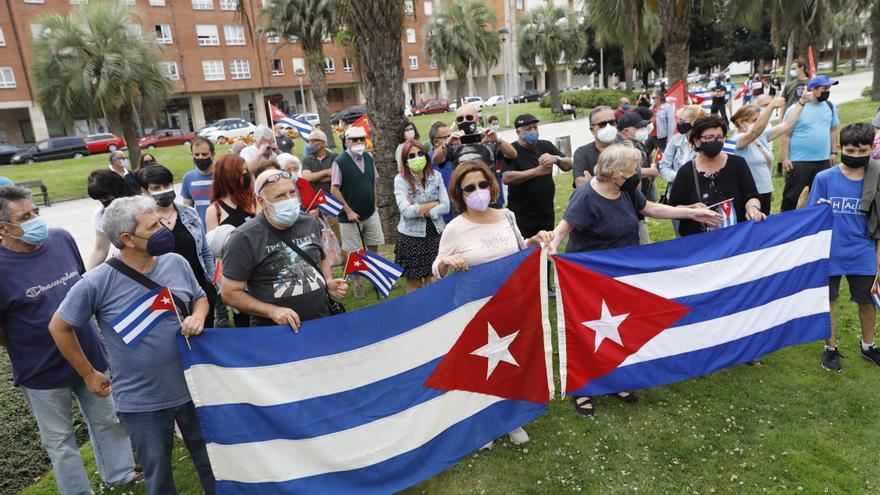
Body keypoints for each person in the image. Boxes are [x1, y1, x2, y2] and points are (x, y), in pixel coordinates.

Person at [49, 196, 215, 495]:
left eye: (161, 220)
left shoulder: (176, 263)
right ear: (127, 239)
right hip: (142, 402)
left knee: (212, 463)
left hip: (194, 387)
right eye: (153, 226)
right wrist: (88, 374)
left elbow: (200, 296)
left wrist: (199, 316)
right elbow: (59, 326)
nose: (164, 228)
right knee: (159, 476)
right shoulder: (96, 282)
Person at [548, 144, 721, 416]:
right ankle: (582, 388)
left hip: (623, 273)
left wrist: (689, 211)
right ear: (615, 174)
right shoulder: (586, 196)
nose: (637, 174)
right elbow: (564, 227)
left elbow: (651, 208)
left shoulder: (626, 190)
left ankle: (615, 377)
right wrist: (554, 243)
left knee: (621, 327)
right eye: (632, 170)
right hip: (589, 278)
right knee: (588, 332)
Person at [0, 186, 141, 495]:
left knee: (109, 419)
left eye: (36, 211)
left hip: (90, 354)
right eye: (25, 216)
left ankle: (120, 473)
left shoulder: (61, 239)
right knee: (60, 442)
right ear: (3, 227)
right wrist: (25, 343)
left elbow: (82, 289)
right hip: (40, 370)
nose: (36, 219)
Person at [432, 159, 553, 448]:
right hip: (474, 307)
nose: (478, 191)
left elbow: (516, 249)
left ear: (492, 185)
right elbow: (437, 268)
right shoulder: (455, 228)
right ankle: (484, 422)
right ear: (459, 195)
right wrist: (446, 261)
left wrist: (532, 242)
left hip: (511, 302)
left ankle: (511, 419)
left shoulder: (508, 216)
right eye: (469, 188)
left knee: (509, 360)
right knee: (479, 365)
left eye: (483, 184)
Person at [222, 170, 348, 328]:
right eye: (280, 196)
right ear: (261, 201)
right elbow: (229, 293)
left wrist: (328, 282)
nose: (290, 200)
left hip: (321, 323)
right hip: (275, 334)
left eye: (292, 193)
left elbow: (321, 258)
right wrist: (271, 311)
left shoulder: (310, 222)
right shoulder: (243, 238)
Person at [807, 122, 880, 372]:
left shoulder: (877, 177)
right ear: (839, 148)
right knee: (828, 301)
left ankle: (868, 346)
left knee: (868, 301)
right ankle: (830, 348)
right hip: (829, 251)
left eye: (863, 151)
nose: (856, 156)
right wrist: (820, 208)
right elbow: (809, 216)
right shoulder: (824, 178)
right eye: (850, 150)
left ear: (872, 148)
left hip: (864, 251)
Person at [135, 165, 216, 329]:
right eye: (156, 188)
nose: (163, 190)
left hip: (199, 290)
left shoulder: (190, 214)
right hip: (165, 295)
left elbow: (205, 252)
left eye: (167, 185)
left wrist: (214, 283)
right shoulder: (141, 224)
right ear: (144, 191)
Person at [667, 115, 766, 236]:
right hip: (700, 240)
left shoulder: (738, 163)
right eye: (709, 137)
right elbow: (673, 207)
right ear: (697, 141)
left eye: (720, 137)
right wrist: (691, 209)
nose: (715, 141)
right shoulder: (686, 171)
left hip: (737, 235)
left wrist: (753, 208)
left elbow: (751, 195)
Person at [730, 95, 808, 214]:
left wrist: (801, 103)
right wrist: (771, 107)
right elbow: (754, 132)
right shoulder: (736, 140)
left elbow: (787, 124)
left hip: (764, 191)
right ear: (741, 123)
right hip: (748, 195)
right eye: (755, 121)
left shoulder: (761, 137)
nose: (761, 123)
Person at [331, 126, 385, 298]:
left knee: (373, 246)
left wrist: (374, 203)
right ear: (347, 141)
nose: (359, 142)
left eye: (361, 138)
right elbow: (334, 189)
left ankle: (376, 279)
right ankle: (357, 284)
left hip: (370, 212)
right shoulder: (340, 161)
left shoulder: (368, 158)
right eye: (355, 139)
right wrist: (348, 211)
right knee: (355, 254)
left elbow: (373, 182)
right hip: (349, 217)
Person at [502, 113, 572, 239]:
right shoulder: (511, 151)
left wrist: (556, 158)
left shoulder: (546, 145)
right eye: (528, 129)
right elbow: (507, 178)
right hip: (521, 215)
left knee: (545, 249)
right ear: (518, 132)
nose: (533, 131)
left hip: (546, 212)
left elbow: (569, 165)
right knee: (525, 251)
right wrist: (536, 171)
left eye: (535, 127)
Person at [394, 139, 449, 292]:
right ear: (405, 161)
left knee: (434, 280)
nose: (417, 158)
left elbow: (446, 206)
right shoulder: (400, 181)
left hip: (434, 233)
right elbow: (406, 211)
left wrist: (427, 212)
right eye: (411, 156)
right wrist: (433, 203)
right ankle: (416, 315)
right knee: (415, 284)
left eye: (420, 153)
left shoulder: (436, 176)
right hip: (411, 237)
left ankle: (437, 313)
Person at [780, 75, 841, 212]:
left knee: (821, 196)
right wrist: (785, 158)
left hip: (823, 160)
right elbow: (785, 134)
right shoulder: (795, 109)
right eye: (824, 88)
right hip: (799, 160)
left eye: (829, 88)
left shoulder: (830, 106)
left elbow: (833, 130)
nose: (827, 91)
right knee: (791, 197)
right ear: (812, 89)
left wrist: (833, 152)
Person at [431, 103, 516, 168]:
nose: (465, 121)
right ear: (456, 123)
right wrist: (447, 143)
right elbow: (437, 160)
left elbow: (512, 155)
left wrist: (498, 140)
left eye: (469, 117)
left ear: (477, 120)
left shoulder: (488, 139)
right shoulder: (453, 143)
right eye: (460, 119)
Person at [85, 169, 137, 270]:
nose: (105, 203)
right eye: (100, 200)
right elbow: (101, 249)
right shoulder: (100, 215)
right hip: (124, 265)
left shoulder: (143, 206)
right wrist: (88, 275)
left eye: (107, 197)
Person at [572, 106, 619, 188]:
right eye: (602, 124)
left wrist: (593, 182)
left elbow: (634, 181)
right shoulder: (582, 153)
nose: (608, 127)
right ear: (592, 130)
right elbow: (580, 182)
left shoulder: (626, 150)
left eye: (612, 122)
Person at [180, 137, 216, 225]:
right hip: (201, 231)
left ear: (212, 154)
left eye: (204, 154)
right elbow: (188, 210)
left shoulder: (225, 174)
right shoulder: (188, 178)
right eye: (196, 154)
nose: (200, 158)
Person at [647, 94, 676, 159]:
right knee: (645, 152)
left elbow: (671, 123)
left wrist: (669, 138)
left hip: (661, 137)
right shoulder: (651, 107)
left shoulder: (668, 107)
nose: (653, 100)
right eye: (652, 98)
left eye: (654, 98)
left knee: (661, 156)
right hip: (650, 134)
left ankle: (660, 168)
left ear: (659, 98)